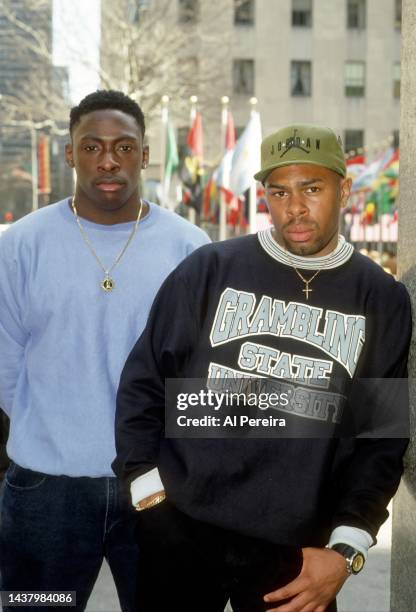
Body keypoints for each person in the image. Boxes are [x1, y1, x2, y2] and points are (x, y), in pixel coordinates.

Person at [114, 124, 411, 612]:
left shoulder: (380, 298)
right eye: (279, 191)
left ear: (344, 189)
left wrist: (345, 549)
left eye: (312, 189)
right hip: (183, 529)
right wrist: (149, 501)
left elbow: (380, 439)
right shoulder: (210, 269)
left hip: (296, 552)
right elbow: (143, 385)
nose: (294, 208)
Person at [0, 89, 209, 612]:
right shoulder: (20, 245)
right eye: (92, 147)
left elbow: (201, 373)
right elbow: (4, 365)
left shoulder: (190, 249)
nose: (108, 160)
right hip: (45, 496)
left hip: (159, 491)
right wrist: (54, 435)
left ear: (144, 154)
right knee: (34, 606)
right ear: (70, 153)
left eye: (123, 146)